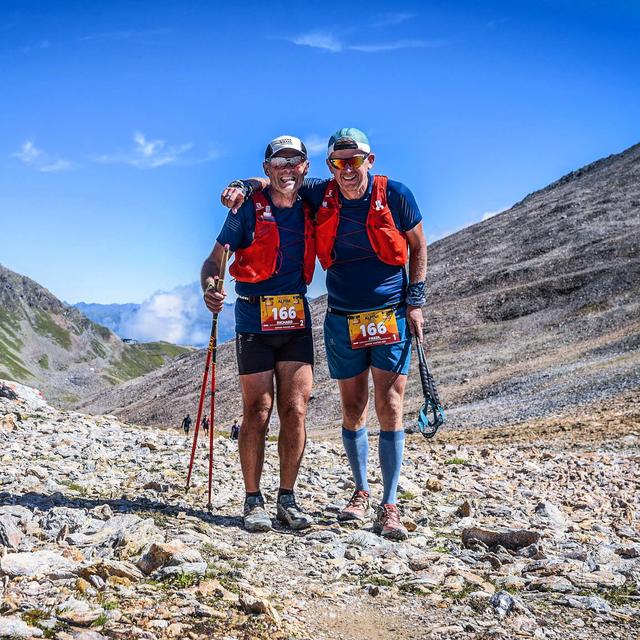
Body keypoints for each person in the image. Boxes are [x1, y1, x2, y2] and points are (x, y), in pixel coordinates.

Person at [220, 128, 427, 541]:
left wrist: (415, 300)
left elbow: (418, 246)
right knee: (352, 407)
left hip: (388, 313)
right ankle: (360, 491)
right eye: (339, 162)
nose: (347, 169)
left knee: (389, 402)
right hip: (342, 315)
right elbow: (278, 180)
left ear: (371, 159)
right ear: (329, 166)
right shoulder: (321, 192)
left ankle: (390, 505)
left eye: (355, 160)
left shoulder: (397, 194)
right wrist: (241, 185)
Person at [202, 135, 316, 533]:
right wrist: (209, 288)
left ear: (305, 167)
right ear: (267, 167)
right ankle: (253, 500)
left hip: (295, 319)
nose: (288, 168)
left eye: (295, 161)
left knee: (296, 409)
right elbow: (215, 259)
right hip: (253, 319)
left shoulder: (312, 202)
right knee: (257, 410)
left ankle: (288, 498)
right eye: (279, 162)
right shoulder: (246, 208)